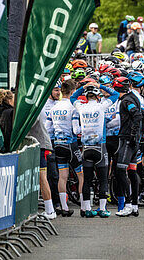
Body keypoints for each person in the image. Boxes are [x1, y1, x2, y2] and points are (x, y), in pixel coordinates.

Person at [71, 80, 116, 217]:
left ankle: (87, 208)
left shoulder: (81, 107)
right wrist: (100, 86)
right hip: (100, 147)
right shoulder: (101, 106)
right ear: (97, 96)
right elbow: (115, 94)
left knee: (87, 180)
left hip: (86, 147)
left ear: (86, 96)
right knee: (103, 179)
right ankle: (102, 209)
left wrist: (82, 88)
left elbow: (73, 98)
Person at [45, 79, 82, 217]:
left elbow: (48, 129)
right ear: (73, 92)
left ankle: (64, 207)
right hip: (71, 144)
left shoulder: (54, 107)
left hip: (57, 144)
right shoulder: (73, 107)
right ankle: (85, 207)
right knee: (81, 174)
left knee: (62, 176)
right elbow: (76, 129)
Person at [114, 73, 144, 217]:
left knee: (120, 170)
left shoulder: (126, 100)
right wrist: (138, 135)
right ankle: (134, 205)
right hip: (133, 140)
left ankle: (127, 204)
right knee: (132, 172)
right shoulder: (133, 97)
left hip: (127, 139)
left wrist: (133, 134)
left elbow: (137, 115)